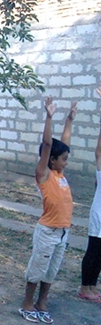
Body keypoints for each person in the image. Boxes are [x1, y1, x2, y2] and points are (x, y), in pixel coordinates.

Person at [19, 97, 76, 324]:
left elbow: (63, 143)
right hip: (47, 231)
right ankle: (27, 303)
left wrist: (69, 120)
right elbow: (47, 145)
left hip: (62, 232)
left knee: (51, 271)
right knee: (38, 268)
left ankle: (42, 303)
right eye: (63, 159)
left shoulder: (60, 174)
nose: (66, 163)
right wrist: (49, 117)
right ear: (52, 160)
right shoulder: (44, 174)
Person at [78, 87, 101, 301]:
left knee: (100, 253)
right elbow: (98, 150)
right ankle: (84, 287)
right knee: (93, 249)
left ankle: (93, 286)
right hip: (99, 215)